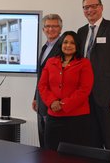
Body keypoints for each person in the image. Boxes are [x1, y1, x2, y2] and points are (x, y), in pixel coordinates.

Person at [77, 0, 110, 163]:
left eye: (94, 6)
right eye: (86, 7)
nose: (90, 10)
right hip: (85, 97)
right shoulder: (81, 31)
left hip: (107, 96)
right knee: (91, 140)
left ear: (101, 7)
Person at [38, 31, 94, 150]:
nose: (68, 45)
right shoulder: (50, 61)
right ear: (61, 44)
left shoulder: (84, 63)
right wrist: (52, 102)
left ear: (77, 45)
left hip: (76, 118)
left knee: (74, 155)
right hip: (53, 117)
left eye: (72, 43)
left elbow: (84, 89)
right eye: (65, 42)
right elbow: (42, 86)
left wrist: (63, 104)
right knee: (51, 153)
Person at [31, 14, 62, 147]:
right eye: (48, 26)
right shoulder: (44, 48)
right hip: (41, 102)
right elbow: (41, 76)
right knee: (43, 142)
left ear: (60, 28)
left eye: (54, 26)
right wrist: (35, 97)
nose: (51, 29)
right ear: (43, 29)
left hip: (54, 103)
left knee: (53, 144)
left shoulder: (63, 47)